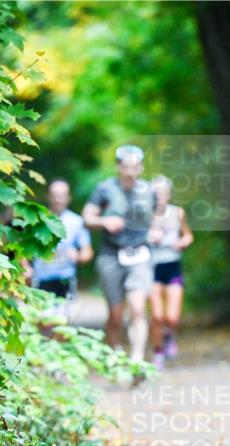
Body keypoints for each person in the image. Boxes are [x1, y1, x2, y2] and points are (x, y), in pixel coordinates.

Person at [82, 145, 155, 364]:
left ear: (141, 167)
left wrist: (157, 231)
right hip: (111, 254)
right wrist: (104, 221)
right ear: (118, 167)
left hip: (140, 254)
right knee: (115, 315)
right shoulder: (104, 189)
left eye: (135, 166)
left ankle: (136, 359)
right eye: (126, 166)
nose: (131, 170)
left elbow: (159, 218)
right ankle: (115, 355)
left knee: (138, 307)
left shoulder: (149, 190)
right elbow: (87, 217)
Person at [147, 175, 193, 368]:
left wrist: (181, 243)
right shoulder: (145, 216)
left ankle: (168, 335)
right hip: (151, 268)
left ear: (169, 194)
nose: (160, 196)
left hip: (173, 265)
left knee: (172, 317)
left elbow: (188, 235)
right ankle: (157, 352)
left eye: (164, 192)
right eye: (156, 193)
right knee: (157, 316)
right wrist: (150, 237)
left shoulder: (178, 213)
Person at [32, 179, 93, 318]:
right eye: (54, 195)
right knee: (42, 320)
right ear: (48, 196)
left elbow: (87, 252)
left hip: (65, 278)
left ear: (68, 198)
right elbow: (22, 248)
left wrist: (78, 256)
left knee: (61, 321)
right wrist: (26, 268)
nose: (58, 200)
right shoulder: (36, 220)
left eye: (62, 196)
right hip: (40, 278)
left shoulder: (77, 222)